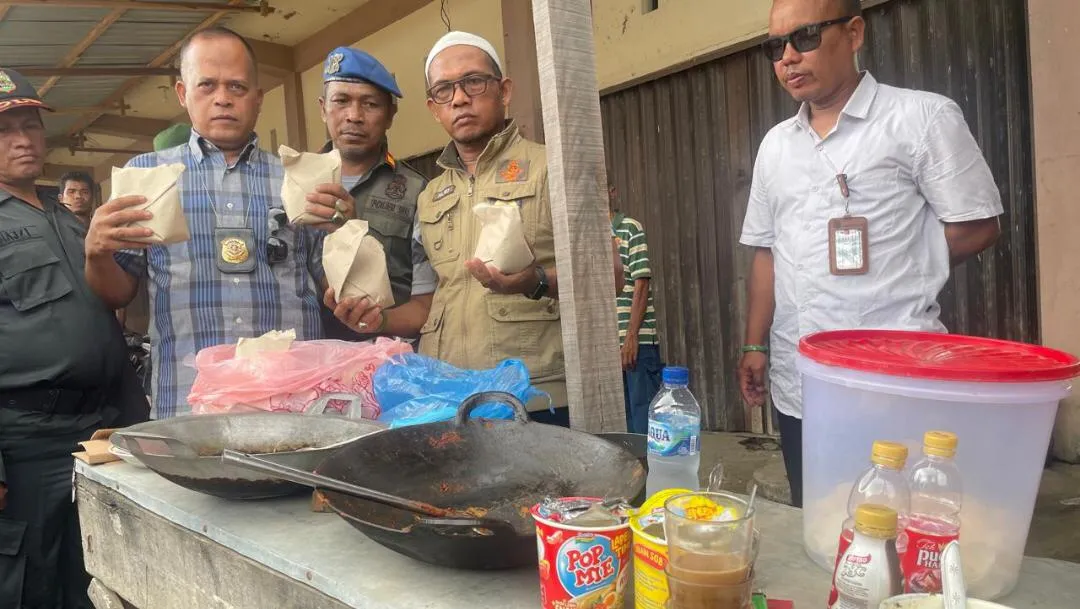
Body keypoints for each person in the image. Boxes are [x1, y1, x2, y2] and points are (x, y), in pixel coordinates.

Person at [738, 0, 1002, 508]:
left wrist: (896, 261)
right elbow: (767, 251)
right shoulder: (776, 146)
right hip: (802, 383)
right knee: (816, 523)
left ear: (854, 33)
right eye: (776, 46)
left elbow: (977, 225)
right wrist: (754, 345)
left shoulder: (920, 118)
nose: (789, 57)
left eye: (806, 37)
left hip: (892, 383)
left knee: (897, 527)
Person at [83, 27, 352, 419]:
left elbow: (332, 286)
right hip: (190, 401)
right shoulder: (148, 174)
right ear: (182, 93)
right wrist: (97, 254)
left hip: (292, 404)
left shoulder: (298, 176)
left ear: (258, 99)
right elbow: (117, 293)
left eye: (237, 87)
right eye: (207, 85)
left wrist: (348, 235)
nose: (222, 98)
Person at [0, 67, 148, 609]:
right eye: (5, 129)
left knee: (100, 574)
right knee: (33, 581)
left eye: (31, 125)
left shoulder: (67, 215)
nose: (23, 139)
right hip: (25, 441)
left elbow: (101, 317)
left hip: (100, 428)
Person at [417, 31, 569, 425]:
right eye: (445, 89)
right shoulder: (431, 194)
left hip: (535, 397)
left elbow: (610, 277)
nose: (460, 98)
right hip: (450, 397)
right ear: (434, 109)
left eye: (473, 82)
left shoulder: (551, 167)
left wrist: (532, 281)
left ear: (504, 91)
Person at [316, 47, 436, 341]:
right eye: (341, 101)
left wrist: (376, 320)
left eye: (370, 104)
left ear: (390, 115)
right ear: (323, 109)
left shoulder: (417, 192)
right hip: (310, 367)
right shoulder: (293, 185)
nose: (354, 116)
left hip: (391, 367)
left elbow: (427, 306)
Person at [610, 184, 662, 435]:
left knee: (644, 421)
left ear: (612, 192)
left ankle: (651, 473)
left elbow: (642, 283)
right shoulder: (590, 233)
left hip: (636, 342)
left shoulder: (630, 228)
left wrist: (631, 337)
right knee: (621, 422)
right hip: (608, 346)